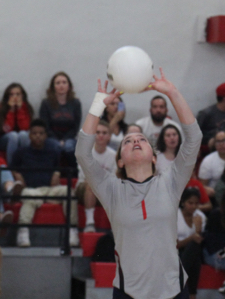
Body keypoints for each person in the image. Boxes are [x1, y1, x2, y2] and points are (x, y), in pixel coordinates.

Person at [76, 69, 202, 299]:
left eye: (142, 139)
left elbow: (194, 137)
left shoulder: (171, 181)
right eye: (128, 141)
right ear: (121, 160)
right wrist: (97, 106)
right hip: (129, 292)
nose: (135, 140)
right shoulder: (111, 189)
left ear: (154, 157)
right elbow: (83, 153)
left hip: (174, 290)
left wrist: (172, 92)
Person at [12, 119, 78, 247]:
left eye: (41, 133)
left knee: (69, 192)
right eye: (34, 133)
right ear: (29, 135)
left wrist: (57, 173)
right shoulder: (20, 152)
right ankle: (23, 231)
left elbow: (57, 167)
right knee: (29, 196)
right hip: (31, 190)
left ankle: (72, 229)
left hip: (49, 190)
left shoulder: (53, 152)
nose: (38, 136)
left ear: (46, 135)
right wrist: (16, 174)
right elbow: (12, 168)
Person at [75, 119, 116, 232]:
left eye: (104, 133)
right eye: (97, 132)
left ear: (109, 136)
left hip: (105, 188)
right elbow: (86, 176)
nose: (101, 136)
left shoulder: (113, 155)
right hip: (84, 187)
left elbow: (114, 178)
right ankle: (89, 223)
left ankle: (116, 226)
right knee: (91, 184)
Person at [39, 71, 82, 167]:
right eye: (58, 83)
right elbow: (45, 126)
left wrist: (65, 140)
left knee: (69, 147)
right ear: (53, 86)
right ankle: (54, 173)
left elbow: (75, 127)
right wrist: (57, 140)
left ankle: (72, 174)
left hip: (69, 138)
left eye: (64, 82)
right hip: (51, 137)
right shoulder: (46, 103)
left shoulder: (75, 103)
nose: (61, 85)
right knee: (55, 147)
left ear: (69, 86)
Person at [177, 187, 206, 299]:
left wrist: (198, 231)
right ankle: (192, 294)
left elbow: (201, 242)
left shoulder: (200, 217)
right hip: (176, 251)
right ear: (183, 202)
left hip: (192, 253)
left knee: (195, 252)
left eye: (196, 203)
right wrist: (192, 237)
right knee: (195, 258)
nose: (193, 206)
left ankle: (180, 282)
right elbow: (175, 245)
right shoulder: (175, 216)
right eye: (190, 203)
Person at [0, 82, 33, 165]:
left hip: (22, 137)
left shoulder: (26, 107)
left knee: (23, 134)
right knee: (13, 135)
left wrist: (20, 110)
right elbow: (7, 129)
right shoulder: (2, 107)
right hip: (4, 139)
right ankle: (12, 166)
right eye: (11, 95)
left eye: (18, 94)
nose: (15, 97)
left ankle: (25, 165)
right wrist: (11, 110)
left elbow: (25, 128)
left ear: (22, 95)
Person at [198, 130, 225, 197]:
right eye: (218, 142)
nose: (221, 144)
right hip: (216, 196)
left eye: (224, 141)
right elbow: (202, 186)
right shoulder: (207, 161)